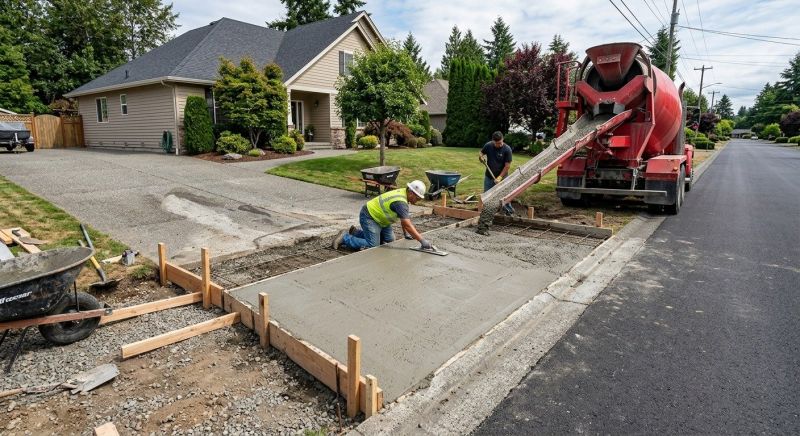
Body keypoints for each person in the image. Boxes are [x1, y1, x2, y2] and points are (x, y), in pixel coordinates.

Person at [333, 180, 433, 251]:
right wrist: (422, 241)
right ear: (411, 193)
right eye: (418, 198)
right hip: (370, 216)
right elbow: (407, 223)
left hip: (381, 219)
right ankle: (345, 238)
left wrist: (406, 234)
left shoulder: (404, 193)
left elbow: (403, 219)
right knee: (373, 245)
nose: (418, 200)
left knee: (390, 240)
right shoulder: (401, 202)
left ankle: (355, 232)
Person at [479, 131, 515, 215]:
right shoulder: (488, 146)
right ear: (493, 141)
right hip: (489, 176)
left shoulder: (507, 149)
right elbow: (481, 152)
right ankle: (488, 213)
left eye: (501, 142)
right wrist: (481, 157)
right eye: (497, 143)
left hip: (502, 177)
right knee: (487, 196)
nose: (499, 145)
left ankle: (509, 211)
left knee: (504, 195)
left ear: (503, 139)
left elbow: (507, 166)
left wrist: (499, 177)